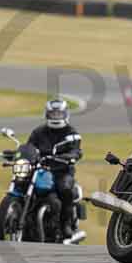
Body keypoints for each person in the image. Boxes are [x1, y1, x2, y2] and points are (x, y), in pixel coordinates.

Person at [27, 99, 82, 240]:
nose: (56, 117)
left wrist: (70, 156)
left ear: (65, 114)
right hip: (41, 169)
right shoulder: (38, 132)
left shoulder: (71, 132)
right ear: (47, 114)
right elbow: (29, 148)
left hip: (62, 170)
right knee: (25, 184)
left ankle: (65, 225)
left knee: (64, 189)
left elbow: (76, 150)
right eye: (53, 114)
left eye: (59, 114)